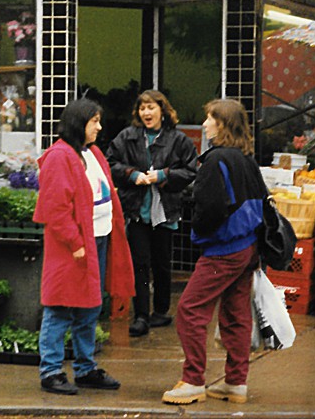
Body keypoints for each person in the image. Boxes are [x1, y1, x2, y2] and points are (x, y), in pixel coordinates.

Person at [162, 98, 264, 406]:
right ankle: (236, 382)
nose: (205, 124)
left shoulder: (215, 160)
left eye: (210, 118)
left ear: (222, 124)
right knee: (236, 314)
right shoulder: (245, 158)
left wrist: (197, 228)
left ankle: (193, 380)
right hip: (248, 246)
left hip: (223, 249)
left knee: (190, 310)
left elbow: (209, 210)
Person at [33, 98, 135, 395]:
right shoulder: (59, 156)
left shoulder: (91, 153)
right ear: (80, 123)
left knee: (90, 306)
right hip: (74, 246)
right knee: (61, 307)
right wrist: (76, 243)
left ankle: (85, 368)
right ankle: (51, 371)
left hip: (98, 238)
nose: (99, 128)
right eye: (95, 122)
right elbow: (55, 207)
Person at [106, 90, 197, 337]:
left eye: (151, 108)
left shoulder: (179, 140)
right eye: (142, 108)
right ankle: (141, 315)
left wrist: (165, 175)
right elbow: (111, 163)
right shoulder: (127, 137)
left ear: (163, 110)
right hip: (137, 210)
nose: (146, 113)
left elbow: (191, 171)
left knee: (162, 263)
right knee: (140, 263)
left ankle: (161, 311)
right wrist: (132, 175)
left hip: (165, 211)